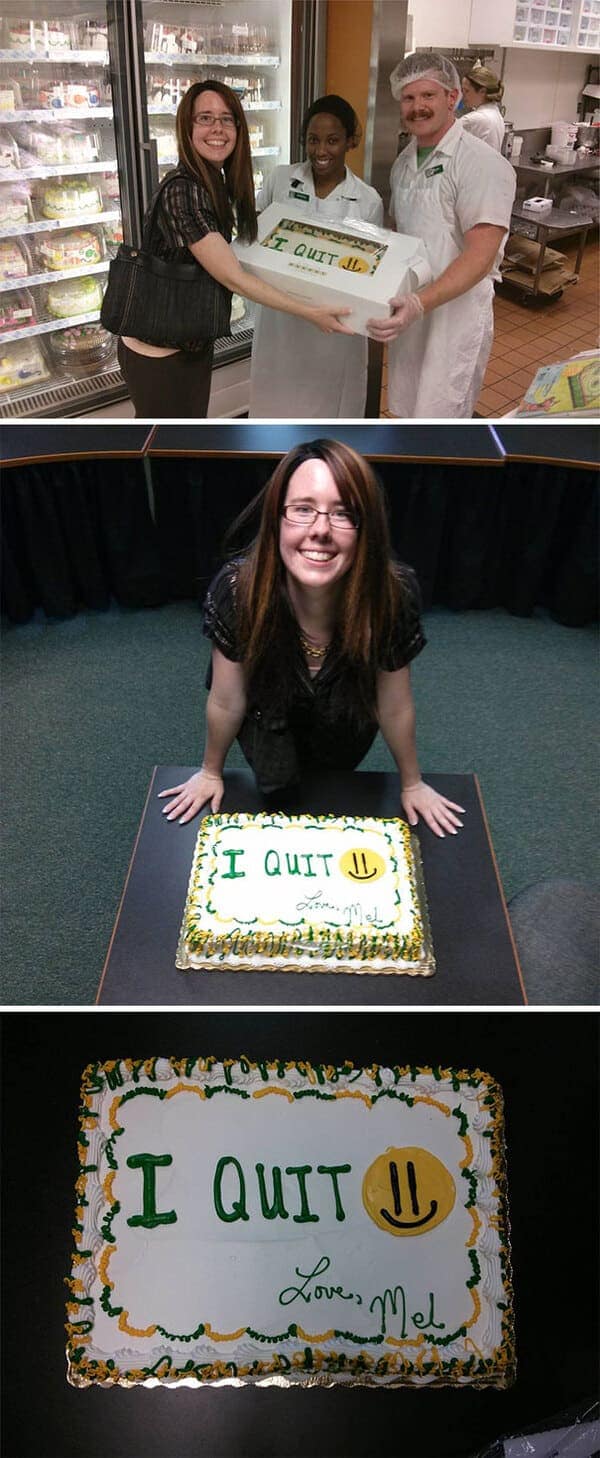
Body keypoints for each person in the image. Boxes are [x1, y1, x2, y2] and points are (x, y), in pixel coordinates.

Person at [159, 439, 464, 839]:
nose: (320, 530)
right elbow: (226, 698)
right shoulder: (238, 590)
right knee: (276, 790)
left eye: (343, 514)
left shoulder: (393, 594)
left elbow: (394, 703)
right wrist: (210, 771)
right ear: (277, 519)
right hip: (266, 716)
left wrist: (412, 783)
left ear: (364, 529)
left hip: (346, 723)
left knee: (334, 789)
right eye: (302, 509)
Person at [116, 80, 352, 418]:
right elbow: (234, 277)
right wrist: (311, 311)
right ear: (187, 127)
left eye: (227, 119)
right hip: (158, 351)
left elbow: (252, 237)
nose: (218, 129)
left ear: (239, 129)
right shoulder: (183, 191)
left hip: (189, 337)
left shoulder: (216, 183)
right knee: (169, 447)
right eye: (205, 118)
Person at [366, 52, 516, 419]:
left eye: (427, 96)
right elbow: (406, 235)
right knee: (405, 405)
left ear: (453, 98)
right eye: (408, 98)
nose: (417, 107)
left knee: (442, 415)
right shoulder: (404, 163)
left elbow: (480, 255)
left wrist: (420, 303)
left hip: (454, 316)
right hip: (413, 313)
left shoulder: (479, 163)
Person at [249, 95, 384, 418]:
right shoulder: (280, 180)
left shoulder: (367, 201)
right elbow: (253, 235)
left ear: (350, 141)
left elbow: (371, 274)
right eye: (313, 140)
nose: (321, 151)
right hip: (280, 322)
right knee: (275, 405)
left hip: (334, 332)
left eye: (333, 140)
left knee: (329, 412)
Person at [461, 64, 506, 151]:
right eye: (462, 90)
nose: (463, 95)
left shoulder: (474, 119)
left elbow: (439, 138)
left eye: (466, 91)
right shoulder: (495, 113)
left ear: (482, 91)